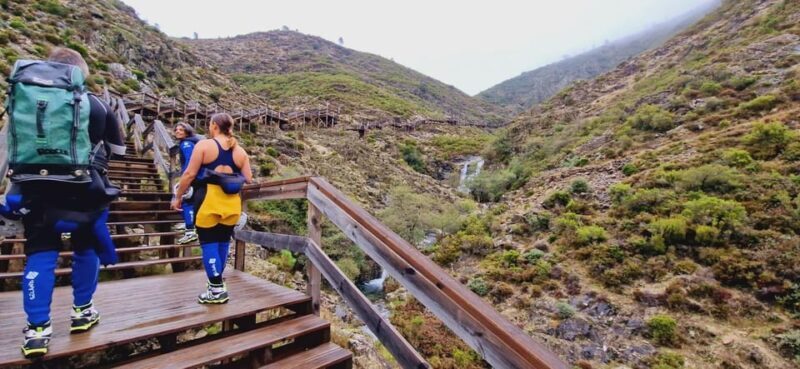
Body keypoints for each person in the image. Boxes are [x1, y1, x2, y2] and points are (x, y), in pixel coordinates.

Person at [13, 48, 126, 358]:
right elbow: (119, 150)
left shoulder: (27, 100)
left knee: (40, 254)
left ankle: (37, 330)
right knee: (85, 249)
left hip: (34, 189)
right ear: (80, 73)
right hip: (84, 190)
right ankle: (82, 312)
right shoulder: (97, 104)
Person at [171, 113, 252, 304]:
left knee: (208, 243)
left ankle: (216, 290)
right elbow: (248, 179)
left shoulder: (204, 146)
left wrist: (178, 196)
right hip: (232, 203)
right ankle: (216, 284)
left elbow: (189, 174)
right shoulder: (240, 151)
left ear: (214, 125)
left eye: (209, 125)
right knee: (223, 242)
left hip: (208, 200)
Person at [173, 123, 200, 245]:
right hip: (195, 177)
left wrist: (185, 179)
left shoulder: (186, 144)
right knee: (188, 201)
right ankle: (189, 223)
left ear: (187, 131)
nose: (178, 131)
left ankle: (190, 231)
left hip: (191, 177)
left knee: (186, 202)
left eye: (181, 129)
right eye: (176, 129)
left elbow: (190, 161)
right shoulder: (191, 142)